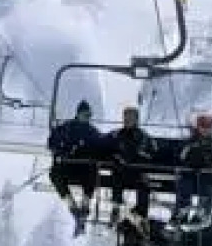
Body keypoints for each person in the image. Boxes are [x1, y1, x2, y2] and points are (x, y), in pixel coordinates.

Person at [46, 100, 105, 235]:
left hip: (84, 169)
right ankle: (72, 206)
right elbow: (52, 141)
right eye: (85, 114)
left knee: (92, 173)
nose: (87, 118)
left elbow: (102, 146)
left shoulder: (92, 132)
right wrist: (61, 150)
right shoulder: (67, 128)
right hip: (68, 167)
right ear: (78, 114)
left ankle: (84, 207)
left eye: (89, 115)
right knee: (55, 174)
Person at [172, 112, 212, 221]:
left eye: (208, 126)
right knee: (184, 185)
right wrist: (187, 165)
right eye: (203, 125)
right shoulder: (190, 142)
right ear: (198, 127)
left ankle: (202, 215)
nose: (205, 129)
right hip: (191, 174)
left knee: (209, 187)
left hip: (210, 176)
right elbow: (180, 157)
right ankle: (181, 214)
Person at [106, 104, 157, 223]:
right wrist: (115, 156)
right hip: (121, 172)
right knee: (116, 175)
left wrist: (143, 156)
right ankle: (116, 208)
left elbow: (153, 152)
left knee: (144, 184)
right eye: (125, 117)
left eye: (131, 117)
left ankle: (141, 214)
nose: (127, 120)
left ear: (136, 120)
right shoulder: (117, 134)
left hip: (137, 173)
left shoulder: (143, 137)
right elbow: (105, 148)